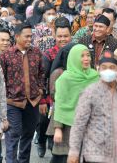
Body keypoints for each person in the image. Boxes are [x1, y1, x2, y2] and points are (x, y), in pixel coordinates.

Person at [68, 51, 117, 163]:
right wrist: (74, 152)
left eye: (112, 67)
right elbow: (78, 124)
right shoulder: (90, 92)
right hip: (94, 156)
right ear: (98, 69)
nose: (108, 70)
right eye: (104, 67)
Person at [0, 23, 45, 163]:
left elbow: (42, 73)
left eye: (31, 36)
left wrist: (41, 90)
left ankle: (23, 161)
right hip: (13, 102)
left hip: (33, 101)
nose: (30, 39)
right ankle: (11, 161)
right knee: (13, 134)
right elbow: (1, 79)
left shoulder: (36, 52)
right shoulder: (6, 56)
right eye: (27, 36)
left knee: (28, 134)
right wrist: (5, 97)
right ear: (17, 36)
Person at [52, 44, 99, 163]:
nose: (86, 59)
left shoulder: (95, 76)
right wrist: (57, 129)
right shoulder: (65, 79)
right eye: (82, 56)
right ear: (73, 58)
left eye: (88, 55)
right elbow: (60, 103)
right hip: (68, 127)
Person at [37, 18, 72, 157]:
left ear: (71, 36)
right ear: (54, 36)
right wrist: (43, 100)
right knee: (43, 121)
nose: (63, 39)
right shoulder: (48, 54)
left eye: (66, 36)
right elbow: (42, 78)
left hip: (68, 96)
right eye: (60, 36)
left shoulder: (74, 52)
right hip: (50, 96)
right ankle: (41, 141)